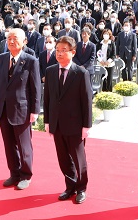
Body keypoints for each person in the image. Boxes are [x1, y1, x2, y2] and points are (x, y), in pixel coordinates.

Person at [43, 36, 93, 204]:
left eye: (64, 50)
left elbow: (86, 101)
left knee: (79, 159)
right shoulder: (50, 71)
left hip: (75, 124)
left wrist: (86, 126)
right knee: (63, 158)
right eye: (57, 50)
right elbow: (48, 98)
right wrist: (48, 121)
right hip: (57, 123)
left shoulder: (80, 73)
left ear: (73, 52)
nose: (60, 53)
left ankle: (81, 188)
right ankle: (70, 186)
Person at [0, 28, 41, 190]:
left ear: (24, 41)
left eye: (15, 38)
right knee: (9, 144)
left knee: (24, 144)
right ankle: (14, 173)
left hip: (22, 109)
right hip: (4, 108)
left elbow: (35, 88)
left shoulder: (30, 60)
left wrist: (35, 110)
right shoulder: (1, 58)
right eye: (9, 38)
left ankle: (26, 175)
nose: (11, 41)